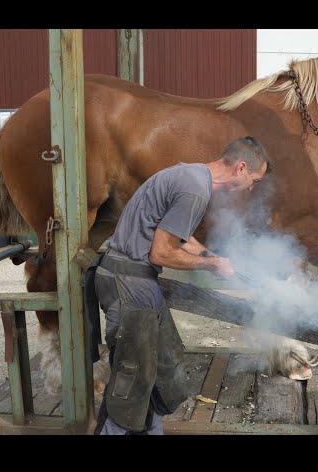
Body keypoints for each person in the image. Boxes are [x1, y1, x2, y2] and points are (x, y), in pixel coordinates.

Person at [93, 136, 269, 435]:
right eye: (254, 179)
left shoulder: (190, 175)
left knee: (158, 376)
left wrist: (209, 255)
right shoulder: (195, 189)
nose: (252, 187)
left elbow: (178, 234)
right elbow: (161, 252)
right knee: (132, 383)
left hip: (135, 280)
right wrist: (212, 266)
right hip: (129, 283)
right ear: (241, 167)